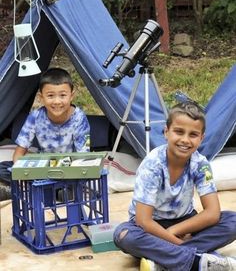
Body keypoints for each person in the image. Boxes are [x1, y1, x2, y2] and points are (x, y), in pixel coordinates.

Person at [113, 101, 236, 271]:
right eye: (179, 132)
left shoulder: (200, 164)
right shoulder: (153, 164)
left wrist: (173, 231)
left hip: (185, 223)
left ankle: (163, 260)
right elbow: (144, 220)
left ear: (201, 138)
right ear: (166, 132)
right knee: (124, 235)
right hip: (149, 227)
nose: (185, 140)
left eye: (193, 134)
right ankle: (197, 261)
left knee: (232, 221)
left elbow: (212, 213)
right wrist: (178, 243)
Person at [0, 67, 90, 182]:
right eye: (50, 96)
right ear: (41, 97)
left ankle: (54, 188)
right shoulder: (35, 116)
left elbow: (82, 157)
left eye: (62, 95)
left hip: (68, 168)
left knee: (87, 174)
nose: (57, 101)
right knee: (3, 168)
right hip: (43, 166)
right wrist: (21, 173)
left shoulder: (79, 118)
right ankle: (43, 187)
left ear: (71, 96)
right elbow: (19, 152)